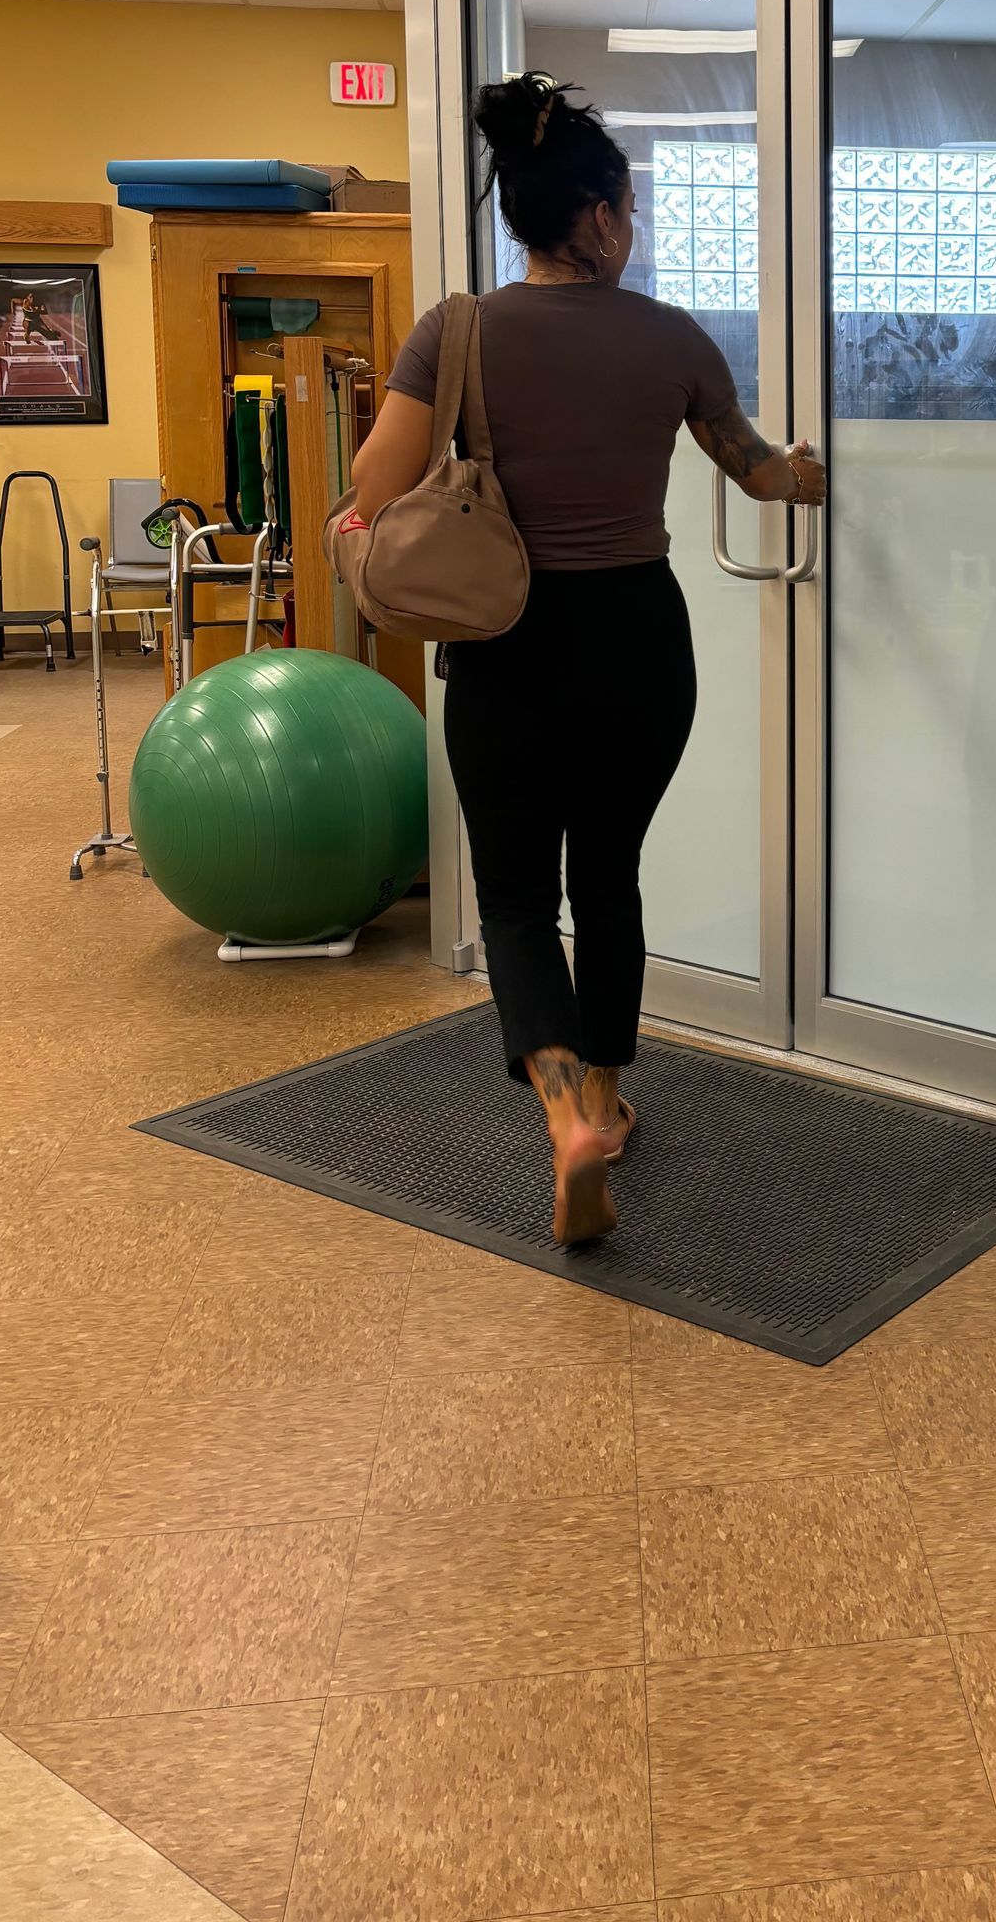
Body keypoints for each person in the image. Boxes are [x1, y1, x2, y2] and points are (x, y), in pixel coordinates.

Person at [351, 72, 824, 1245]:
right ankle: (609, 1100)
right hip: (638, 645)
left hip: (505, 644)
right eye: (633, 206)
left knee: (514, 896)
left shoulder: (451, 331)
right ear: (604, 213)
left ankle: (563, 1110)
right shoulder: (670, 338)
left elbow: (373, 489)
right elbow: (762, 471)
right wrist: (813, 470)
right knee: (606, 881)